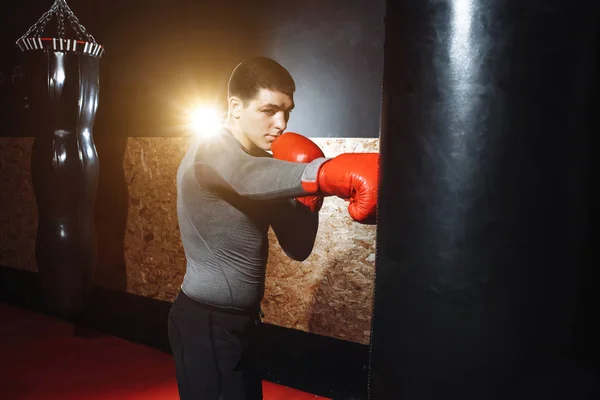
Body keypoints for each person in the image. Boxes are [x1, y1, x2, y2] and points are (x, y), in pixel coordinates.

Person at [168, 56, 378, 400]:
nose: (281, 123)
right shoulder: (210, 152)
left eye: (287, 111)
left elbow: (298, 247)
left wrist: (309, 201)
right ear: (236, 107)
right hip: (205, 323)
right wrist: (323, 174)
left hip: (244, 325)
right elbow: (244, 176)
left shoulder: (267, 167)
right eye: (269, 111)